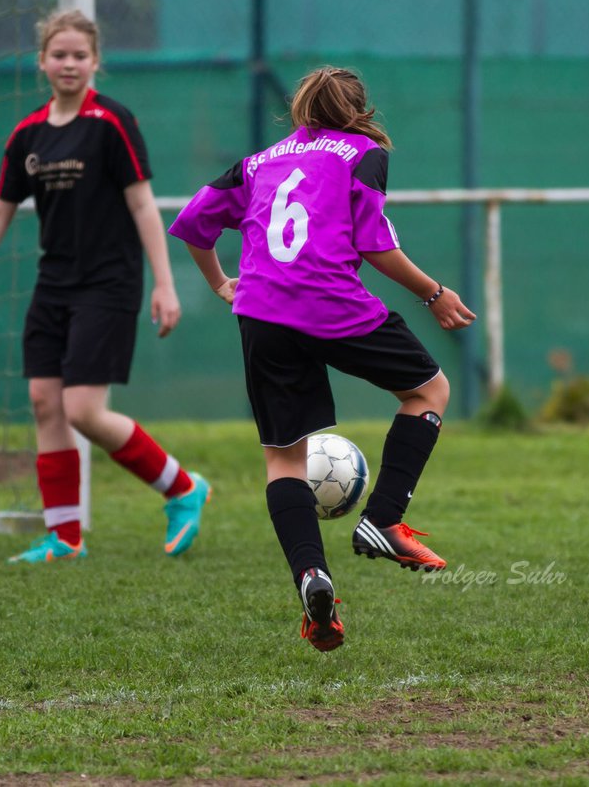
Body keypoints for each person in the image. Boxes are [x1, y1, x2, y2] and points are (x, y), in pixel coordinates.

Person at [168, 66, 475, 651]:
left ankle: (313, 576)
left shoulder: (258, 160)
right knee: (429, 391)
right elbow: (375, 244)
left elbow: (193, 225)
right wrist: (436, 293)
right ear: (359, 110)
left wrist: (220, 285)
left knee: (285, 461)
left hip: (261, 311)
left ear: (301, 109)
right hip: (331, 304)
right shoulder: (363, 153)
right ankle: (383, 520)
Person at [0, 10, 209, 564]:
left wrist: (165, 285)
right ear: (42, 61)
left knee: (84, 410)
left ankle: (183, 487)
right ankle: (65, 537)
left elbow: (142, 204)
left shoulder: (112, 122)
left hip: (109, 283)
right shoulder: (28, 134)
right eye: (59, 54)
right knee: (45, 403)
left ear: (95, 62)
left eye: (80, 55)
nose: (69, 64)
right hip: (54, 283)